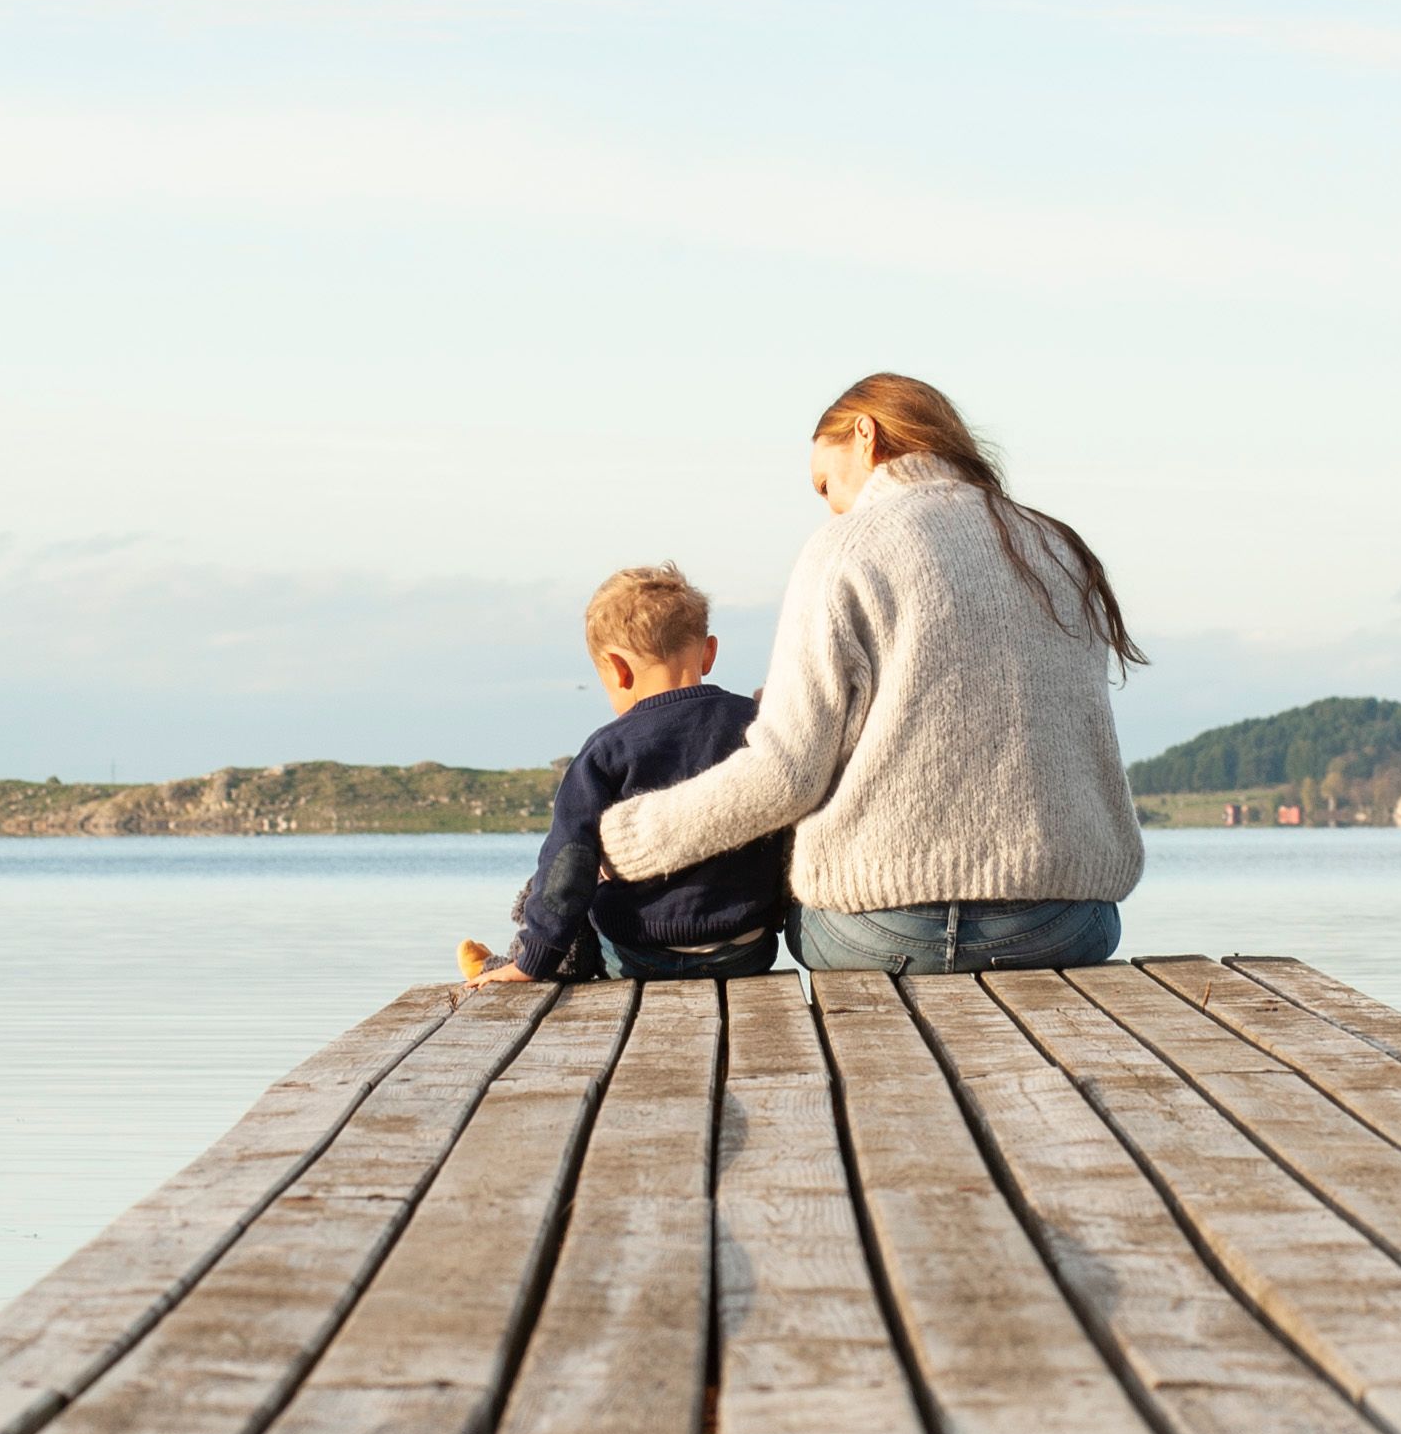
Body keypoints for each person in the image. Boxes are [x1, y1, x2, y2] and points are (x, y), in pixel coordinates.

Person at [597, 374, 1142, 974]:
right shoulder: (1057, 546)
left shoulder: (846, 545)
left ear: (865, 435)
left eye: (825, 484)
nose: (831, 504)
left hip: (884, 931)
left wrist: (621, 841)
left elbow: (786, 776)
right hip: (1063, 927)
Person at [458, 564, 792, 986]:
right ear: (708, 653)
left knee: (567, 877)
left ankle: (519, 958)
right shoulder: (756, 723)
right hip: (745, 952)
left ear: (618, 669)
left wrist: (534, 961)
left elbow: (568, 860)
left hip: (638, 957)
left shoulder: (607, 749)